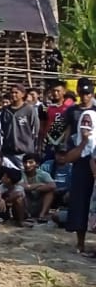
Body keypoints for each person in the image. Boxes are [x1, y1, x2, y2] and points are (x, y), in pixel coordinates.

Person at [59, 79, 96, 255]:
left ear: (92, 93)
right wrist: (58, 147)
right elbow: (56, 130)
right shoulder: (71, 111)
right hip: (79, 155)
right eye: (82, 93)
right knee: (80, 200)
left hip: (95, 154)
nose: (85, 96)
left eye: (87, 93)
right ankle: (80, 242)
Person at [1, 84, 40, 160]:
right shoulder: (5, 110)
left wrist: (31, 144)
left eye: (16, 92)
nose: (13, 95)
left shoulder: (29, 109)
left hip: (24, 151)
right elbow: (2, 128)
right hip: (8, 151)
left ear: (23, 94)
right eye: (12, 92)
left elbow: (35, 128)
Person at [22, 154, 59, 222]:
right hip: (26, 202)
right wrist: (39, 184)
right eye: (25, 162)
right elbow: (23, 187)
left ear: (37, 164)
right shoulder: (20, 173)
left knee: (50, 192)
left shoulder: (43, 174)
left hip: (39, 202)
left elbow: (53, 186)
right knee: (20, 192)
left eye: (31, 162)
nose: (27, 165)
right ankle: (26, 215)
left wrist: (33, 188)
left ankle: (41, 215)